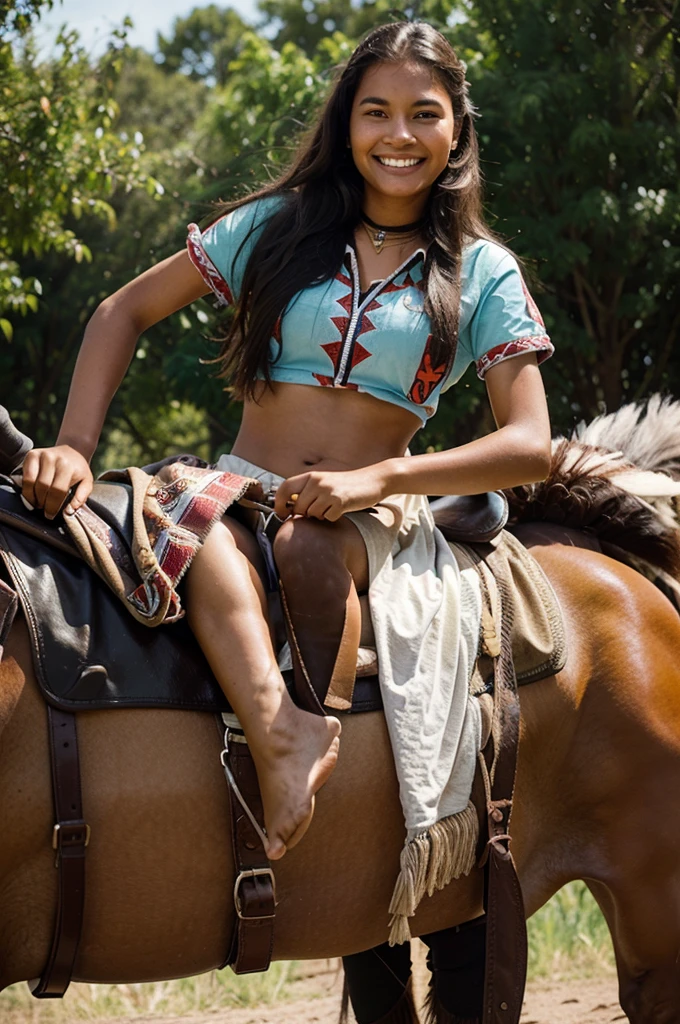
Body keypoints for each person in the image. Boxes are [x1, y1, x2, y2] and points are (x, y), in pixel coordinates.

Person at [20, 21, 552, 883]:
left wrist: (378, 477)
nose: (399, 136)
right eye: (375, 112)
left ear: (458, 129)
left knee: (300, 546)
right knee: (200, 523)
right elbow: (122, 311)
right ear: (348, 124)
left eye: (424, 114)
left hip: (373, 512)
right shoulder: (275, 226)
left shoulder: (483, 271)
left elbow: (531, 445)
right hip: (234, 492)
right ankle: (279, 734)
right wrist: (76, 447)